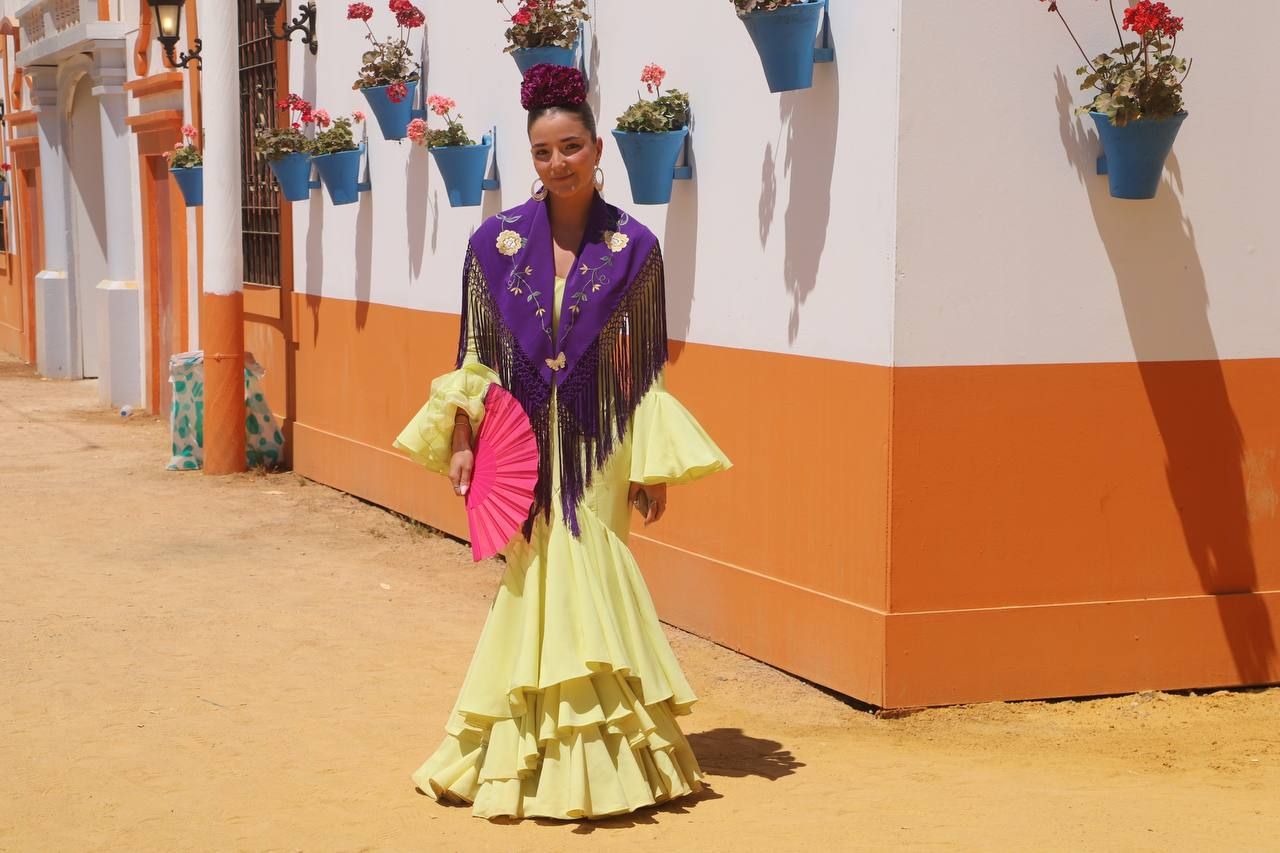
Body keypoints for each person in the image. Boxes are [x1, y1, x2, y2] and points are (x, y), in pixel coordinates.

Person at [393, 63, 731, 821]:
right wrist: (462, 440)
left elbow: (644, 368)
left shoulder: (635, 247)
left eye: (571, 147)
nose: (558, 164)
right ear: (531, 157)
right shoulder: (494, 244)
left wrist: (651, 466)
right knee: (531, 585)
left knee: (591, 580)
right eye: (543, 152)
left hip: (599, 444)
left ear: (598, 145)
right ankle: (513, 754)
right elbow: (474, 354)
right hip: (520, 445)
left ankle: (606, 761)